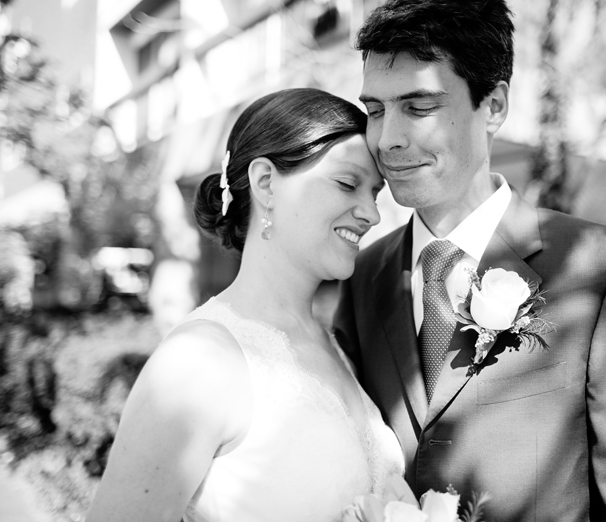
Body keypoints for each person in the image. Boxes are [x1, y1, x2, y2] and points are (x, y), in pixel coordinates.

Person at [333, 0, 606, 520]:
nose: (387, 139)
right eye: (375, 110)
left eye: (419, 107)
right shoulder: (360, 276)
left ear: (494, 105)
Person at [86, 88, 404, 522]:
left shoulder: (340, 348)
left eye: (375, 191)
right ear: (266, 183)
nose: (372, 213)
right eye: (348, 184)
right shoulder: (198, 361)